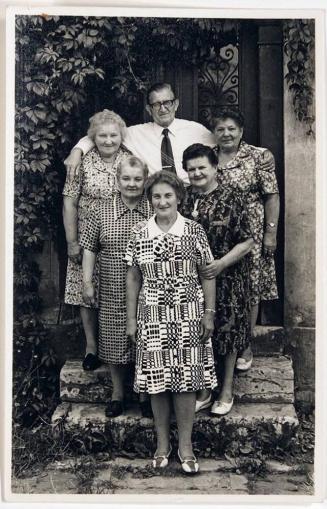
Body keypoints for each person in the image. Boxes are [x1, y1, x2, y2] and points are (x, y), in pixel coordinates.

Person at [125, 171, 217, 474]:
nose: (162, 201)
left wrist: (209, 313)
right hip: (151, 313)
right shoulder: (140, 232)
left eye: (168, 195)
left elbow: (207, 274)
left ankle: (186, 446)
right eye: (156, 196)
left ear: (179, 197)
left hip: (188, 312)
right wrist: (131, 320)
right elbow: (134, 276)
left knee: (186, 381)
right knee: (157, 381)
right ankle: (162, 444)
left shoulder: (194, 230)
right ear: (149, 200)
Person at [181, 144, 254, 416]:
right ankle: (203, 390)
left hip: (228, 276)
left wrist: (221, 264)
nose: (197, 173)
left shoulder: (233, 197)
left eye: (202, 167)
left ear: (214, 168)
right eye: (191, 168)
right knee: (197, 333)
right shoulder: (183, 197)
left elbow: (247, 240)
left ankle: (226, 390)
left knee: (227, 332)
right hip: (191, 278)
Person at [80, 156, 153, 417]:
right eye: (126, 178)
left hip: (147, 285)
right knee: (112, 338)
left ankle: (146, 395)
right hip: (111, 283)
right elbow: (89, 247)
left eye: (137, 179)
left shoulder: (153, 208)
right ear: (116, 180)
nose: (131, 184)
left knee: (146, 337)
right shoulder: (101, 210)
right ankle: (118, 394)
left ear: (145, 181)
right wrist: (87, 282)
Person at [211, 108, 280, 371]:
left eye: (231, 129)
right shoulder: (209, 156)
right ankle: (222, 342)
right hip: (219, 233)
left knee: (250, 288)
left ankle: (245, 345)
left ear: (241, 131)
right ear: (214, 132)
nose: (226, 133)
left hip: (250, 230)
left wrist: (270, 233)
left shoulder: (258, 157)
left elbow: (272, 195)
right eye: (220, 129)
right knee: (223, 286)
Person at [62, 109, 131, 371]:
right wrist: (72, 242)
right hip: (86, 238)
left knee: (118, 292)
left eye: (113, 135)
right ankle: (92, 347)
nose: (108, 140)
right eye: (102, 135)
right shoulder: (81, 162)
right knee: (86, 293)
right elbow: (69, 203)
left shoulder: (130, 160)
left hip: (118, 236)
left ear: (121, 136)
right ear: (93, 137)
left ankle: (122, 346)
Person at [63, 82, 215, 185]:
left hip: (189, 194)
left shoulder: (196, 130)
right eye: (156, 104)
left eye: (167, 103)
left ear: (176, 104)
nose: (163, 109)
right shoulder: (136, 133)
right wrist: (77, 151)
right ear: (149, 110)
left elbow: (223, 148)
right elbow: (100, 134)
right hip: (155, 199)